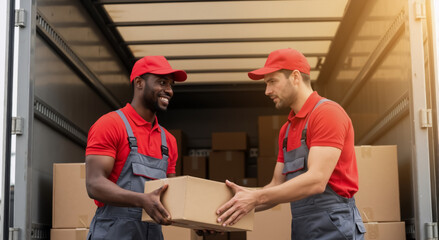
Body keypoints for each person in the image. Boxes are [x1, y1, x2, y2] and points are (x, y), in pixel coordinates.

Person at [216, 48, 366, 240]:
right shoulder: (286, 131)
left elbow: (317, 180)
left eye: (272, 81)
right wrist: (230, 211)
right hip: (303, 228)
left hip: (335, 227)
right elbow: (276, 184)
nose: (267, 91)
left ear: (295, 77)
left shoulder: (327, 114)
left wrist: (255, 197)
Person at [85, 56, 187, 240]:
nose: (169, 91)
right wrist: (143, 200)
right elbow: (94, 184)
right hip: (113, 233)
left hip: (152, 234)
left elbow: (171, 197)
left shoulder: (168, 141)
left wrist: (200, 222)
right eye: (162, 82)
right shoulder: (110, 125)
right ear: (139, 83)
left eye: (171, 85)